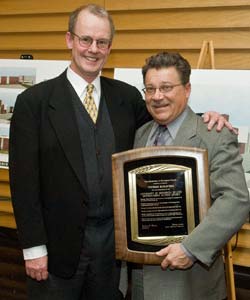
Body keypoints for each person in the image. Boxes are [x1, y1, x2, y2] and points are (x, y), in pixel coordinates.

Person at [9, 4, 234, 300]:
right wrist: (34, 249)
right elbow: (24, 183)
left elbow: (167, 113)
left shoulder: (125, 98)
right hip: (56, 252)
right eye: (85, 39)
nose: (93, 49)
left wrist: (209, 117)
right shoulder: (33, 103)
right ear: (69, 40)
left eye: (102, 42)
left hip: (113, 256)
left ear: (109, 47)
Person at [132, 51, 250, 300]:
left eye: (166, 87)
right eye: (150, 89)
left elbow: (236, 199)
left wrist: (190, 249)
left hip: (191, 281)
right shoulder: (141, 134)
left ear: (187, 89)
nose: (157, 97)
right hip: (143, 278)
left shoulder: (213, 134)